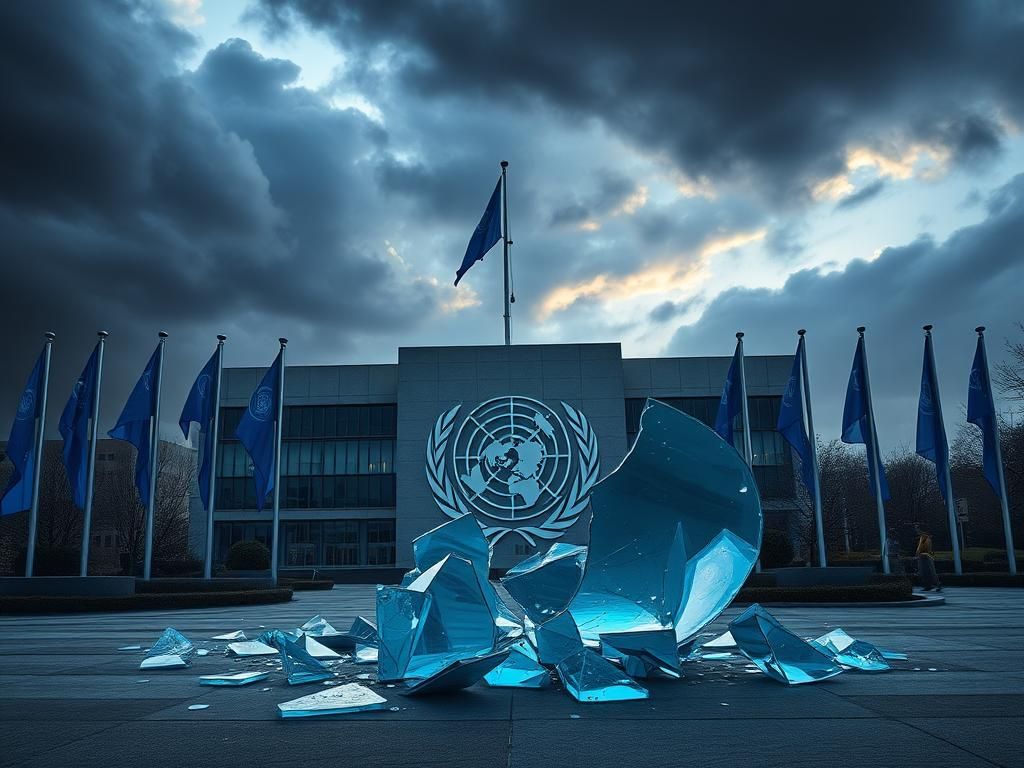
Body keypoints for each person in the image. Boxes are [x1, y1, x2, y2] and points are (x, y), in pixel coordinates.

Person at [915, 523, 943, 592]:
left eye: (917, 528)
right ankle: (928, 585)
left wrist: (918, 554)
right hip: (924, 556)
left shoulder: (924, 537)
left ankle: (936, 584)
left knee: (929, 571)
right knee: (925, 572)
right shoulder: (923, 537)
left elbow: (923, 548)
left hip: (925, 556)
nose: (916, 530)